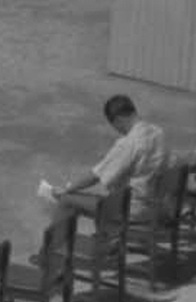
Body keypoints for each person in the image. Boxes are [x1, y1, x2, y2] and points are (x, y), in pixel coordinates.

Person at [50, 93, 169, 222]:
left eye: (114, 126)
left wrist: (67, 189)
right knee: (101, 196)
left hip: (131, 210)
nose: (117, 130)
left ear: (118, 120)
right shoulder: (158, 132)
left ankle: (55, 242)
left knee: (66, 200)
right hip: (155, 205)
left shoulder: (128, 144)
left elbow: (96, 176)